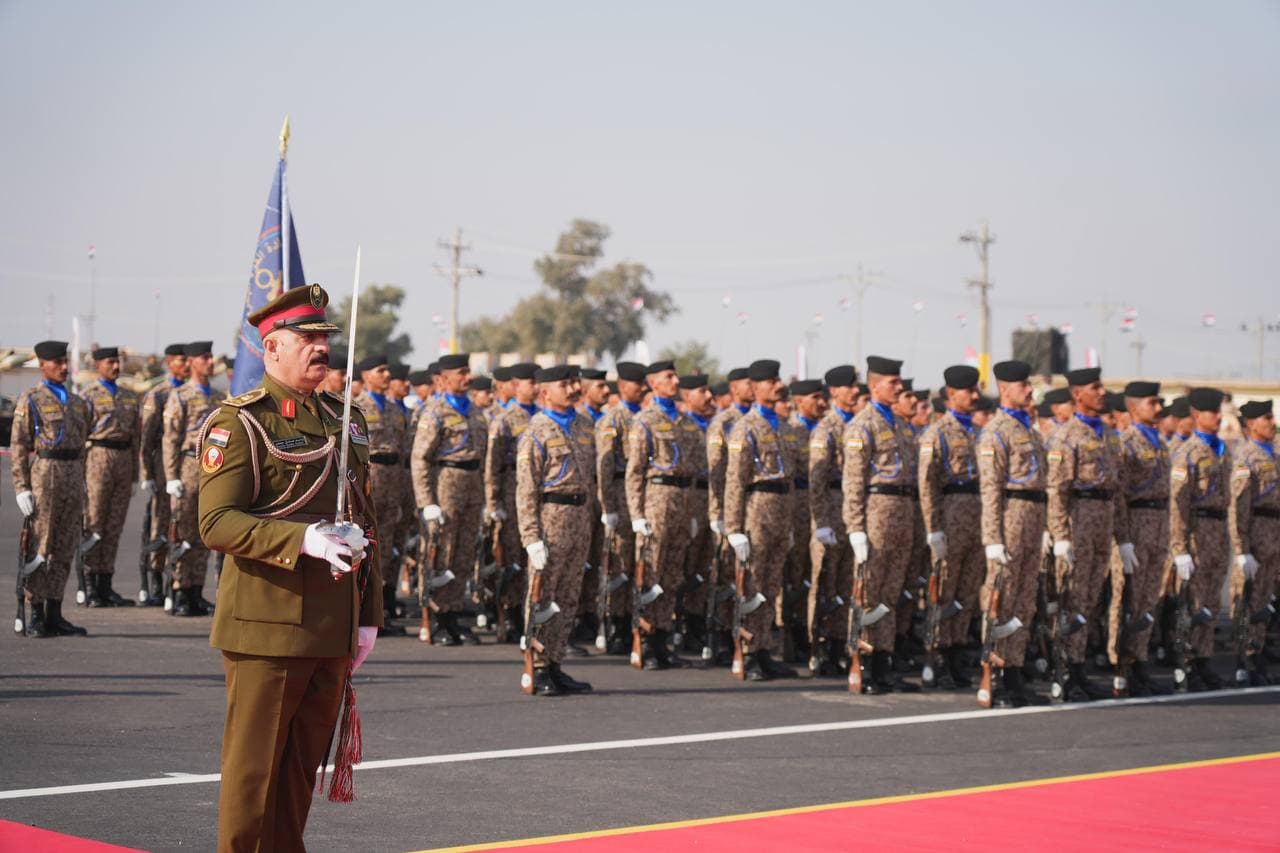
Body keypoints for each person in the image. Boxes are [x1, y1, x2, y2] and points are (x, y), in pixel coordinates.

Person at [198, 284, 379, 851]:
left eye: (324, 337)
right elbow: (217, 522)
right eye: (306, 338)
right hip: (268, 626)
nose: (320, 347)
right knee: (254, 779)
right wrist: (303, 539)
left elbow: (368, 523)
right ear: (270, 347)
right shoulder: (242, 423)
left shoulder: (346, 421)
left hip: (331, 628)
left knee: (300, 775)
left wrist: (368, 616)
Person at [515, 365, 596, 696]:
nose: (575, 388)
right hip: (551, 517)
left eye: (576, 383)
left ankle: (555, 662)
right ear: (546, 392)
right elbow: (526, 489)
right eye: (566, 384)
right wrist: (531, 536)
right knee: (543, 596)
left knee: (568, 595)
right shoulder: (536, 430)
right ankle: (536, 664)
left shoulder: (584, 425)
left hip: (580, 518)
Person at [1045, 367, 1123, 701]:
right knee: (1070, 596)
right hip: (1078, 520)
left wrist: (1124, 534)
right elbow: (1057, 489)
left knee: (1089, 598)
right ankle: (1061, 667)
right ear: (1078, 395)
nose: (1103, 392)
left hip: (1101, 521)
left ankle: (1078, 666)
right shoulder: (1067, 436)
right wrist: (1060, 534)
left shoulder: (1106, 433)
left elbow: (1116, 486)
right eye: (1096, 387)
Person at [842, 356, 919, 693]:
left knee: (890, 594)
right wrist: (855, 527)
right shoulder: (863, 424)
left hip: (901, 510)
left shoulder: (901, 425)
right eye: (893, 382)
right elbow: (854, 481)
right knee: (868, 592)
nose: (899, 387)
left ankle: (884, 661)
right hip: (876, 512)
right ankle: (863, 660)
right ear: (875, 386)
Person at [976, 360, 1048, 707]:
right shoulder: (996, 431)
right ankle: (996, 672)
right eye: (1023, 385)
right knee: (1000, 598)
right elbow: (990, 489)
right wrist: (993, 539)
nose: (1029, 390)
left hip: (1033, 515)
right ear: (1005, 389)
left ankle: (1016, 670)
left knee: (1024, 599)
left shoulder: (1030, 430)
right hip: (1010, 517)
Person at [723, 359, 799, 681]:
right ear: (755, 388)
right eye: (770, 381)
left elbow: (790, 477)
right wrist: (734, 528)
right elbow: (735, 480)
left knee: (771, 586)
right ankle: (748, 651)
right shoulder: (745, 427)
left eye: (777, 379)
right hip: (756, 509)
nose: (777, 385)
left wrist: (791, 522)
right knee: (752, 584)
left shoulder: (782, 427)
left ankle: (764, 648)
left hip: (780, 509)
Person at [624, 360, 701, 669]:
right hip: (656, 501)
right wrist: (637, 513)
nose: (675, 380)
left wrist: (693, 510)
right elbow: (634, 472)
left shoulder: (685, 422)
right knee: (651, 573)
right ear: (654, 384)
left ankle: (663, 640)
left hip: (681, 502)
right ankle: (644, 637)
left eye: (675, 376)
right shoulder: (645, 420)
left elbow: (693, 470)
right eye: (669, 377)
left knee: (672, 575)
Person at [11, 340, 91, 637]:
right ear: (42, 365)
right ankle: (35, 612)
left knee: (65, 546)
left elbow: (84, 442)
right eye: (56, 362)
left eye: (64, 361)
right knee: (41, 547)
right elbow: (19, 446)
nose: (62, 366)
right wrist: (22, 486)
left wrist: (82, 477)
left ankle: (55, 612)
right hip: (45, 476)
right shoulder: (31, 399)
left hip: (72, 473)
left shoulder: (78, 401)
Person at [410, 353, 488, 645]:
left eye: (467, 372)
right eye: (461, 373)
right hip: (445, 483)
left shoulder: (475, 412)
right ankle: (435, 615)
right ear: (443, 379)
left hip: (471, 485)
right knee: (441, 551)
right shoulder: (435, 412)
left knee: (465, 552)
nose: (467, 378)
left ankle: (454, 614)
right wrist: (426, 501)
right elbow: (420, 459)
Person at [917, 365, 984, 689]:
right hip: (950, 518)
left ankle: (957, 652)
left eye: (976, 390)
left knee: (967, 593)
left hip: (976, 520)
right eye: (969, 391)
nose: (975, 396)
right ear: (951, 395)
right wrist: (933, 528)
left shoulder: (976, 431)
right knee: (942, 591)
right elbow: (927, 484)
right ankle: (937, 654)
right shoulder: (937, 432)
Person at [1169, 387, 1235, 691]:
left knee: (1209, 601)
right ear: (1197, 415)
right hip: (1197, 532)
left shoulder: (1221, 450)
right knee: (1193, 602)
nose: (1219, 417)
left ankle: (1204, 659)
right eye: (1213, 412)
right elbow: (1177, 504)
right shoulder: (1188, 453)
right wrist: (1179, 548)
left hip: (1217, 532)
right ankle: (1187, 661)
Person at [1107, 380, 1170, 697]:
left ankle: (1139, 658)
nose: (1159, 408)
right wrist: (1123, 538)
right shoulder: (1126, 442)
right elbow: (1118, 495)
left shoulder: (1159, 441)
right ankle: (1121, 664)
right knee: (1126, 598)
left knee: (1148, 599)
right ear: (1133, 407)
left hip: (1158, 525)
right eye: (1152, 402)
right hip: (1135, 524)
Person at [162, 340, 225, 616]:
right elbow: (171, 439)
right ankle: (179, 589)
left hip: (213, 467)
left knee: (205, 531)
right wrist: (171, 475)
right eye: (205, 357)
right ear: (191, 362)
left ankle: (196, 590)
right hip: (189, 464)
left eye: (211, 356)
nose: (210, 361)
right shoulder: (181, 396)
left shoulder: (219, 397)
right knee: (183, 530)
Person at [80, 346, 141, 607]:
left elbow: (136, 436)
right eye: (109, 362)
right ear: (97, 366)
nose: (115, 367)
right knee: (94, 523)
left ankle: (106, 584)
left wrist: (137, 473)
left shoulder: (129, 395)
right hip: (98, 457)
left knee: (114, 524)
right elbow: (79, 434)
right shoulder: (87, 396)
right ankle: (89, 585)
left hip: (124, 458)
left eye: (117, 362)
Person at [484, 362, 540, 641]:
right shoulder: (504, 420)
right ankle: (510, 613)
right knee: (512, 559)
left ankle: (533, 615)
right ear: (517, 385)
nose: (536, 386)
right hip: (511, 492)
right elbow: (492, 466)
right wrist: (494, 503)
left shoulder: (543, 418)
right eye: (530, 382)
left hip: (539, 497)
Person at [807, 365, 858, 676]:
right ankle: (819, 647)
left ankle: (840, 644)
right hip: (831, 512)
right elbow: (817, 481)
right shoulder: (827, 429)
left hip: (850, 514)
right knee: (824, 585)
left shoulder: (856, 424)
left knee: (845, 585)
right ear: (836, 391)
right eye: (850, 387)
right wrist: (821, 522)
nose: (855, 392)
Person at [353, 353, 407, 633]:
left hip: (393, 482)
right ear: (366, 376)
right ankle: (364, 610)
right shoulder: (356, 407)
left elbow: (402, 450)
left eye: (387, 370)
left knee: (386, 546)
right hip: (369, 482)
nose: (387, 375)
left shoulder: (397, 410)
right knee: (367, 545)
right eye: (381, 370)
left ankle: (383, 608)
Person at [594, 362, 646, 653]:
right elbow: (604, 465)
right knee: (619, 564)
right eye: (637, 384)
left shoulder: (646, 416)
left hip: (640, 497)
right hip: (619, 494)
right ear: (624, 386)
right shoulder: (615, 418)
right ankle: (615, 625)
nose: (643, 389)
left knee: (639, 564)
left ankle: (633, 623)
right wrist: (608, 506)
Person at [1229, 400, 1278, 686]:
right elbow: (1238, 506)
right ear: (1251, 424)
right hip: (1256, 531)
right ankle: (1243, 659)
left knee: (1263, 600)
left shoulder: (1274, 452)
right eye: (1266, 417)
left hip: (1274, 531)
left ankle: (1257, 653)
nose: (1272, 422)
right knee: (1247, 599)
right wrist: (1240, 549)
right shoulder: (1246, 456)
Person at [138, 343, 190, 606]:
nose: (186, 365)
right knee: (160, 525)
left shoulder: (192, 392)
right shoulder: (158, 394)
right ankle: (155, 581)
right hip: (163, 468)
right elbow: (146, 440)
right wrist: (146, 473)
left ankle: (182, 582)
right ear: (169, 362)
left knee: (184, 526)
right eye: (181, 360)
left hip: (189, 468)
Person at [782, 379, 826, 662]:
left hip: (822, 507)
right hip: (798, 506)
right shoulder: (791, 431)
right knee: (795, 573)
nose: (821, 403)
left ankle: (816, 637)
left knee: (819, 573)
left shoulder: (827, 429)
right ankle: (791, 634)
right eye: (815, 398)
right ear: (799, 401)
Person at [707, 367, 752, 540]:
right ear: (734, 389)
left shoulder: (762, 421)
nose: (752, 388)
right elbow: (716, 469)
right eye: (748, 384)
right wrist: (716, 512)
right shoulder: (724, 422)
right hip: (730, 501)